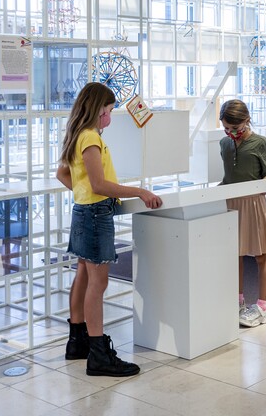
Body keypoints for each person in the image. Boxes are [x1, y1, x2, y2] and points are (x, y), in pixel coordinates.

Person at [56, 82, 163, 377]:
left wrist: (82, 193)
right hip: (95, 214)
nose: (110, 116)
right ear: (99, 109)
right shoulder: (90, 137)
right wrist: (140, 191)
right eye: (109, 110)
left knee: (83, 275)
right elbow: (100, 185)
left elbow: (63, 173)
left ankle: (77, 342)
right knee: (98, 283)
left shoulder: (79, 135)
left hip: (83, 210)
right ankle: (99, 353)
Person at [218, 99, 266, 328]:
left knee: (261, 255)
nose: (231, 132)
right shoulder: (224, 143)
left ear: (246, 120)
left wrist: (261, 185)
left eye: (236, 127)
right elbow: (228, 176)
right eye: (226, 127)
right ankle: (238, 300)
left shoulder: (260, 143)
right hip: (231, 203)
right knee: (235, 254)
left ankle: (262, 307)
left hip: (254, 204)